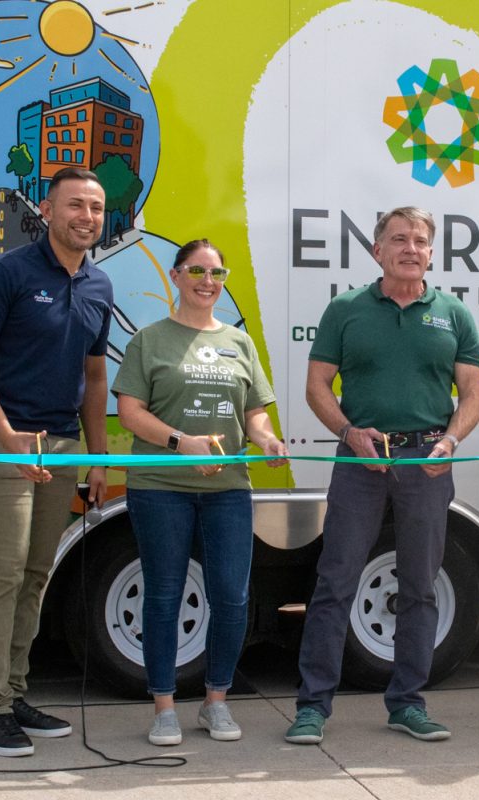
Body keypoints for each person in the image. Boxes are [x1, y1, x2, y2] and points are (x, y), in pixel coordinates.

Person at [284, 206, 479, 745]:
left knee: (420, 587)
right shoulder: (346, 309)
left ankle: (408, 703)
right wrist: (350, 432)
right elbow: (317, 387)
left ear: (431, 252)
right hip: (359, 460)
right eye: (399, 239)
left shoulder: (454, 314)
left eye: (420, 240)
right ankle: (312, 707)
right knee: (335, 581)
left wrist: (451, 439)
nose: (411, 248)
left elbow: (474, 396)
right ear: (377, 250)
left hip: (427, 461)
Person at [0, 166, 113, 757]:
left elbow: (95, 378)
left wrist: (95, 456)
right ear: (47, 210)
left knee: (37, 573)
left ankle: (15, 693)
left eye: (95, 208)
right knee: (2, 573)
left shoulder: (99, 286)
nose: (86, 217)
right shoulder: (7, 274)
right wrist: (7, 435)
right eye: (75, 205)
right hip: (2, 443)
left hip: (65, 445)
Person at [112, 239, 289, 745]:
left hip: (228, 488)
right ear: (176, 275)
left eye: (217, 273)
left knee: (231, 598)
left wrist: (266, 438)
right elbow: (131, 414)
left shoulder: (239, 342)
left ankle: (217, 701)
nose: (208, 281)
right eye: (197, 270)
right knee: (165, 596)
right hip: (160, 486)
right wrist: (180, 442)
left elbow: (253, 412)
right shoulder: (149, 340)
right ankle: (164, 707)